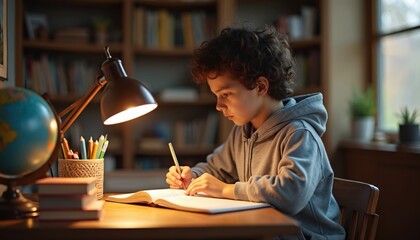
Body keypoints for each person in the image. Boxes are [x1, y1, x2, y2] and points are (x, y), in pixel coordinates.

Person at [165, 25, 345, 240]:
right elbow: (216, 169)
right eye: (216, 96)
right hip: (265, 231)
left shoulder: (300, 134)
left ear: (260, 87)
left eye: (227, 94)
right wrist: (192, 175)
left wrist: (226, 191)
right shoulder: (243, 131)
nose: (219, 106)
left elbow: (291, 194)